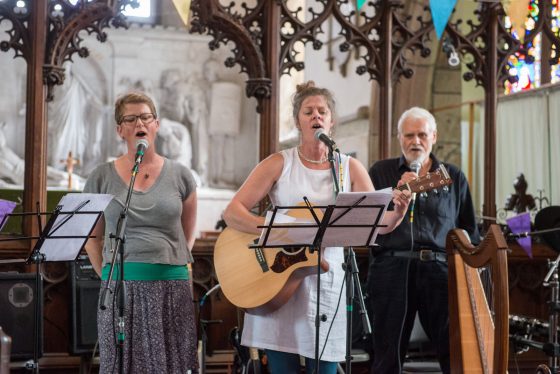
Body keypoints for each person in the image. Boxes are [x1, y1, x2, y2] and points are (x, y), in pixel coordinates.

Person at [223, 81, 411, 374]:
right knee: (282, 368)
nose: (316, 116)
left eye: (322, 111)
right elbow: (233, 212)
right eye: (308, 111)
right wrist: (276, 229)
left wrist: (399, 210)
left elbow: (378, 224)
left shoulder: (349, 168)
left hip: (327, 278)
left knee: (325, 367)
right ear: (298, 120)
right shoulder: (279, 163)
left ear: (331, 120)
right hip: (277, 278)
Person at [83, 92, 198, 374]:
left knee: (172, 365)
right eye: (131, 118)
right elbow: (92, 238)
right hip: (121, 288)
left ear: (156, 124)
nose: (139, 123)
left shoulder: (182, 175)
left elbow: (187, 236)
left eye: (146, 117)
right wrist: (110, 276)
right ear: (120, 129)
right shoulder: (101, 176)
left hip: (171, 286)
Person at [366, 107, 480, 374]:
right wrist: (400, 192)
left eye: (421, 135)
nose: (415, 141)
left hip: (440, 273)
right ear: (399, 138)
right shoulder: (381, 172)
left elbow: (469, 232)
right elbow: (369, 224)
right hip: (391, 272)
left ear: (434, 136)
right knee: (386, 357)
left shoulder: (452, 176)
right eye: (408, 135)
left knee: (454, 354)